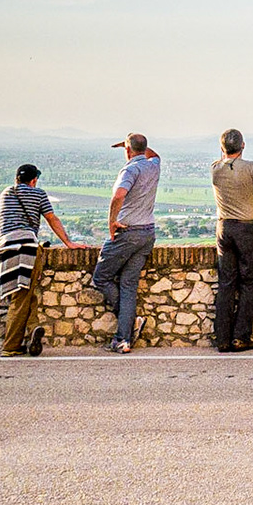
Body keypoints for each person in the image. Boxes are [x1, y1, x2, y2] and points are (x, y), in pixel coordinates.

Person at [0, 163, 81, 357]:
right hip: (28, 249)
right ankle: (11, 345)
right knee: (20, 298)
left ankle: (32, 330)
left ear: (16, 178)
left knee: (25, 296)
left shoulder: (4, 193)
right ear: (34, 180)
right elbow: (51, 218)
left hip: (4, 249)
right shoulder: (38, 194)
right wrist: (69, 243)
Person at [92, 132, 160, 353]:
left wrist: (112, 222)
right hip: (147, 232)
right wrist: (132, 145)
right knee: (128, 286)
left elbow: (118, 196)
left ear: (128, 151)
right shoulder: (153, 166)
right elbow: (154, 154)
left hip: (127, 232)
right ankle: (123, 339)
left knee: (101, 277)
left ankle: (127, 327)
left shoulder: (130, 169)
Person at [211, 128, 253, 353]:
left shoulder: (215, 169)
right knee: (251, 280)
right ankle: (240, 336)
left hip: (224, 228)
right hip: (247, 229)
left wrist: (224, 151)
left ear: (221, 148)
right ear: (243, 146)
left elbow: (224, 160)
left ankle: (222, 338)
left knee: (226, 283)